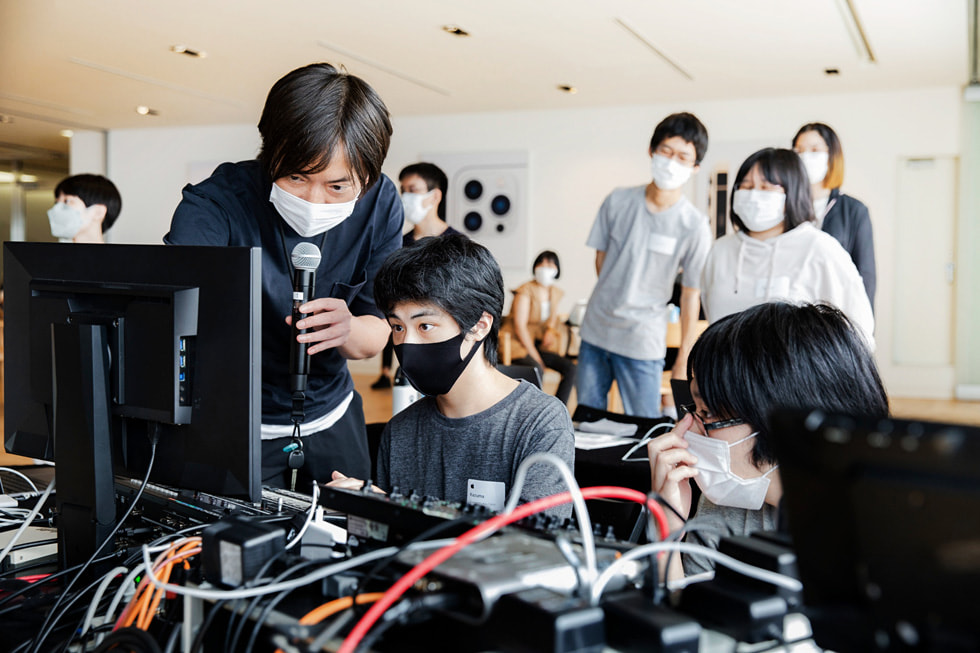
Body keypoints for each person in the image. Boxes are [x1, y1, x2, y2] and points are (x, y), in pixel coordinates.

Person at [165, 62, 402, 489]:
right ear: (270, 152)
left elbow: (378, 331)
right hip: (234, 423)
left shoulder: (381, 203)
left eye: (337, 187)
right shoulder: (215, 205)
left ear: (367, 178)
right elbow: (177, 319)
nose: (314, 200)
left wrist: (347, 328)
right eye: (296, 177)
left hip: (331, 411)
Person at [330, 234, 574, 517]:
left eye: (425, 326)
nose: (408, 344)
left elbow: (533, 545)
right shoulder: (401, 431)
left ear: (480, 325)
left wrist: (401, 511)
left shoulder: (540, 422)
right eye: (398, 328)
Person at [647, 302, 889, 580]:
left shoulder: (876, 524)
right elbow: (684, 617)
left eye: (708, 412)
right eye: (694, 409)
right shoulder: (726, 506)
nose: (686, 430)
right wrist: (666, 531)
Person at [576, 112, 712, 417]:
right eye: (666, 151)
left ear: (695, 167)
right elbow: (602, 259)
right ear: (652, 151)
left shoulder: (694, 225)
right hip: (596, 331)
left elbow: (691, 293)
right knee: (586, 424)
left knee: (644, 429)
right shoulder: (618, 200)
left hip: (643, 341)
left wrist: (683, 359)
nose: (672, 162)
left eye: (683, 156)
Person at [700, 147, 875, 346]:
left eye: (766, 187)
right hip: (725, 373)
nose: (753, 195)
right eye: (746, 186)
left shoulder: (820, 249)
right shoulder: (720, 251)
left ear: (793, 192)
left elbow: (859, 330)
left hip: (796, 376)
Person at [371, 162, 461, 389]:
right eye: (403, 191)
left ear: (435, 196)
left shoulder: (458, 245)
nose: (405, 197)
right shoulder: (398, 244)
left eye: (413, 190)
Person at [792, 122, 876, 307]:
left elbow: (866, 277)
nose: (806, 156)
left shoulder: (854, 210)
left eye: (814, 150)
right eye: (799, 150)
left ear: (832, 156)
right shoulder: (786, 208)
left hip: (835, 314)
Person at [500, 250, 577, 404]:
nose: (545, 267)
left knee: (571, 368)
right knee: (536, 368)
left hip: (540, 344)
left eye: (549, 264)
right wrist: (536, 356)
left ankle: (559, 409)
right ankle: (535, 411)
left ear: (557, 269)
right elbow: (520, 328)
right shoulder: (525, 291)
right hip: (518, 344)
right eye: (541, 263)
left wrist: (550, 331)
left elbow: (553, 319)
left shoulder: (554, 292)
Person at [47, 173, 122, 243]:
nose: (56, 209)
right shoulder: (50, 256)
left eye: (67, 201)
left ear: (98, 212)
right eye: (56, 203)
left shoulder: (121, 257)